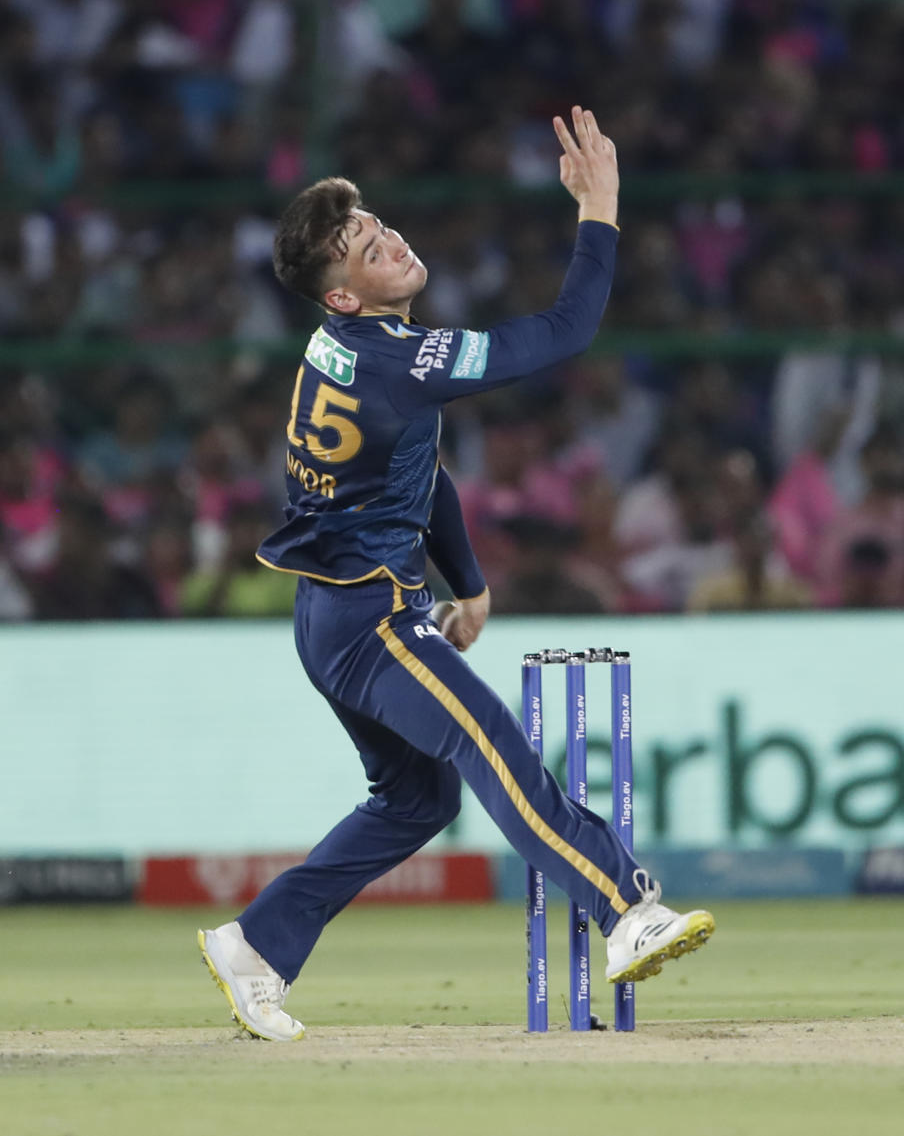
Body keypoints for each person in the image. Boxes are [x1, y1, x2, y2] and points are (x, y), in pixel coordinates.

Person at [197, 107, 715, 1041]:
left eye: (379, 224)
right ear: (342, 296)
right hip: (371, 620)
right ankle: (624, 906)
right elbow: (561, 334)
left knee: (416, 799)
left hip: (331, 613)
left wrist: (467, 582)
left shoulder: (346, 349)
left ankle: (256, 946)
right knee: (493, 744)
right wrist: (600, 211)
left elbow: (417, 471)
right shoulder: (399, 363)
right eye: (363, 246)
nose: (389, 239)